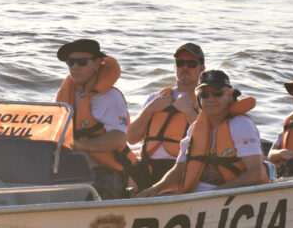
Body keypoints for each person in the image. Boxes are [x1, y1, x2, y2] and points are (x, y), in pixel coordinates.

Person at [135, 70, 267, 197]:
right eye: (204, 94)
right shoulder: (194, 129)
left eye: (217, 93)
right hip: (195, 198)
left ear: (230, 96)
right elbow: (179, 170)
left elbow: (256, 173)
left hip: (227, 198)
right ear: (199, 99)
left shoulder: (241, 124)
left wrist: (215, 193)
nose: (210, 99)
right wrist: (155, 189)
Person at [54, 39, 136, 200]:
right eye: (71, 62)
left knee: (102, 193)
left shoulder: (110, 98)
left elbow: (119, 139)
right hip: (70, 166)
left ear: (97, 64)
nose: (75, 67)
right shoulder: (67, 93)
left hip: (106, 171)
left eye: (82, 62)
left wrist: (80, 145)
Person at [127, 43, 205, 191]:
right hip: (148, 164)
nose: (185, 68)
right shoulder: (155, 98)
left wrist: (189, 112)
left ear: (202, 69)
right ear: (175, 67)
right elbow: (131, 138)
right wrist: (150, 109)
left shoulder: (206, 101)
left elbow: (208, 141)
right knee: (130, 177)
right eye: (180, 63)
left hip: (180, 167)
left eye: (192, 64)